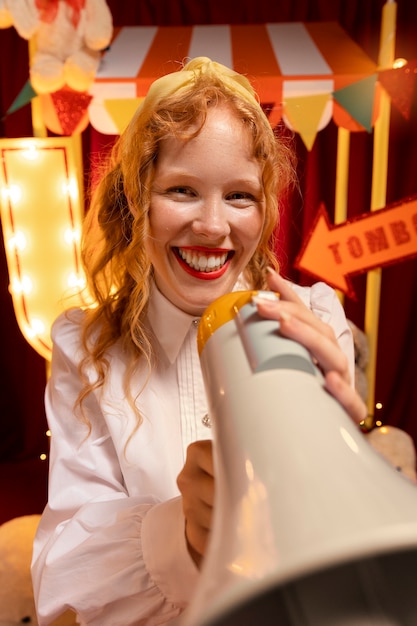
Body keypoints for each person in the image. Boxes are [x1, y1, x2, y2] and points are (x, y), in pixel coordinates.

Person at [31, 57, 366, 625]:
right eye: (182, 190)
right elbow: (66, 567)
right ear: (138, 198)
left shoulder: (310, 319)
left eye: (239, 197)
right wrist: (182, 536)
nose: (213, 226)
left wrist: (336, 452)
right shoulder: (84, 345)